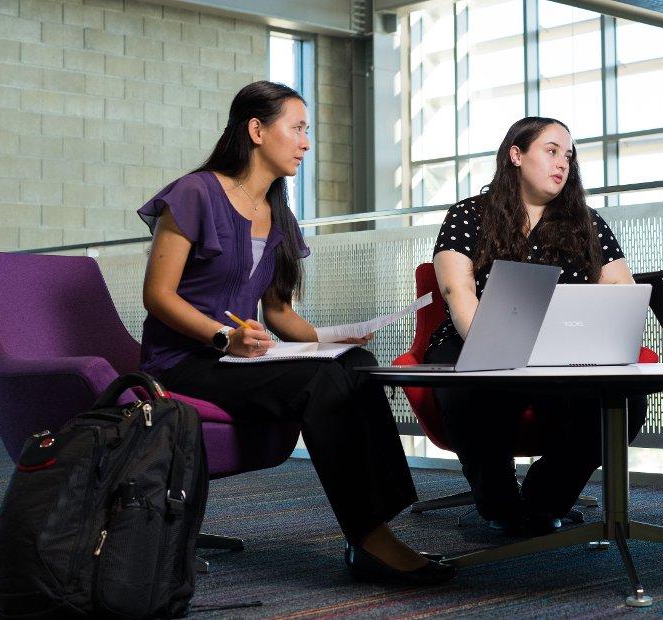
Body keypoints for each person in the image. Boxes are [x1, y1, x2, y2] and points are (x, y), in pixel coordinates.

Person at [137, 81, 453, 585]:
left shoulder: (277, 212)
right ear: (257, 130)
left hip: (240, 359)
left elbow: (279, 312)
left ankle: (376, 525)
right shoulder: (194, 193)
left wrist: (331, 344)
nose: (306, 143)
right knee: (321, 382)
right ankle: (370, 539)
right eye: (298, 128)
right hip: (184, 362)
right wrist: (223, 337)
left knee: (352, 367)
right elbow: (158, 295)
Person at [426, 116, 647, 535]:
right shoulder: (469, 214)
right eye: (551, 151)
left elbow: (622, 289)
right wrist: (493, 350)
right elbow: (459, 293)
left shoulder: (586, 222)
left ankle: (545, 499)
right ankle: (499, 504)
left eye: (568, 156)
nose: (562, 163)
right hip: (477, 340)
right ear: (516, 155)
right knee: (472, 390)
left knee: (625, 403)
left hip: (562, 347)